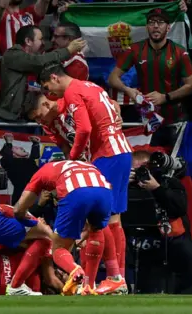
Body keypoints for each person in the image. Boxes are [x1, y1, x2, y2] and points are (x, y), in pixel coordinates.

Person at [39, 63, 132, 294]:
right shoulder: (88, 87)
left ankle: (112, 277)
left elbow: (84, 129)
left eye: (48, 89)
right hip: (118, 150)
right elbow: (106, 105)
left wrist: (73, 160)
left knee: (100, 221)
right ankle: (115, 280)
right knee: (112, 221)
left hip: (106, 153)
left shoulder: (70, 93)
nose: (50, 93)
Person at [13, 161, 116, 295]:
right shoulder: (84, 165)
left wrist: (26, 222)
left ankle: (75, 270)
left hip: (75, 193)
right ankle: (88, 286)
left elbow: (19, 209)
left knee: (58, 248)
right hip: (105, 192)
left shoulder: (42, 173)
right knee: (96, 231)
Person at [124, 151, 192, 294]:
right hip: (139, 244)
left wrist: (156, 188)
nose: (141, 174)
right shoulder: (124, 187)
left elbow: (180, 207)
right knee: (145, 287)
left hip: (171, 240)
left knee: (189, 275)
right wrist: (121, 186)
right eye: (136, 170)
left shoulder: (168, 182)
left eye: (144, 170)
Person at [109, 8, 192, 126]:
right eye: (151, 22)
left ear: (168, 27)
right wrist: (128, 90)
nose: (155, 26)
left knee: (174, 144)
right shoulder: (134, 50)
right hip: (148, 114)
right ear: (146, 27)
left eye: (160, 22)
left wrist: (165, 97)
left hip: (174, 115)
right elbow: (113, 78)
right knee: (149, 145)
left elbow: (191, 85)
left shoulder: (180, 52)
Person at [0, 25, 85, 122]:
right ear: (28, 41)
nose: (43, 43)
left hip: (21, 118)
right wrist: (67, 51)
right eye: (40, 39)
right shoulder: (12, 55)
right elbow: (39, 61)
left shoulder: (78, 63)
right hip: (6, 118)